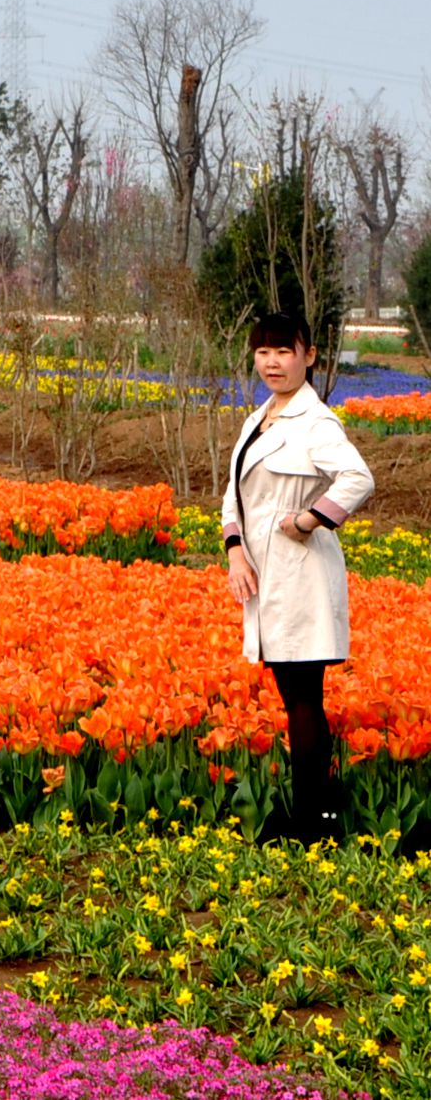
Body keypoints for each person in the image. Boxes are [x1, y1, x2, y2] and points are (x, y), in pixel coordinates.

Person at [224, 308, 377, 843]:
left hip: (301, 574)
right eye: (263, 351)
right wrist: (234, 550)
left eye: (284, 351)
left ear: (309, 357)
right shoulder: (259, 416)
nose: (272, 362)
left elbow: (358, 477)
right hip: (264, 574)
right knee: (294, 695)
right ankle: (314, 815)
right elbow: (234, 492)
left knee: (303, 696)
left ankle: (312, 824)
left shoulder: (314, 423)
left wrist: (310, 519)